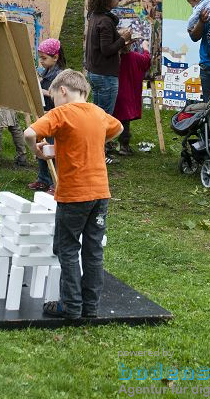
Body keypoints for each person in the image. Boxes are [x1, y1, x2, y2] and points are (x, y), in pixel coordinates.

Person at [24, 69, 123, 319]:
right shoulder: (98, 113)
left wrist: (35, 150)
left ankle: (71, 305)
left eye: (54, 96)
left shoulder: (61, 112)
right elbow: (118, 127)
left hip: (73, 195)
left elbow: (29, 133)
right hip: (100, 194)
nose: (53, 102)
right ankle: (90, 306)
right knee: (93, 250)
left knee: (67, 249)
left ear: (63, 91)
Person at [85, 0, 132, 115]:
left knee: (96, 115)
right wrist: (123, 39)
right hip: (105, 75)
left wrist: (120, 40)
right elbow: (106, 50)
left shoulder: (95, 16)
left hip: (95, 72)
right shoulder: (105, 21)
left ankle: (94, 137)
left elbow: (101, 44)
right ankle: (102, 137)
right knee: (104, 117)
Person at [28, 38, 65, 193]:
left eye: (44, 58)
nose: (41, 62)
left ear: (55, 57)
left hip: (54, 117)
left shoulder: (61, 75)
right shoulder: (47, 71)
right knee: (41, 149)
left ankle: (56, 181)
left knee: (52, 151)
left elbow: (57, 95)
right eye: (40, 58)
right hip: (44, 117)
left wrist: (39, 90)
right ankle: (43, 179)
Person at [112, 39, 151, 156]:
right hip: (128, 94)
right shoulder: (134, 57)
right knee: (124, 121)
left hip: (114, 92)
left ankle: (108, 144)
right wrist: (145, 48)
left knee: (111, 117)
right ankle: (124, 146)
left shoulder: (113, 59)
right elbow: (146, 60)